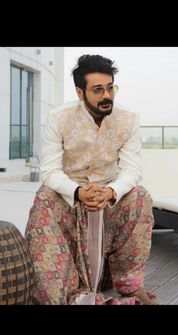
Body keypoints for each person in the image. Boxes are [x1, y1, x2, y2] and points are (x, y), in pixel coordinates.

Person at [25, 54, 159, 305]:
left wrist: (110, 193)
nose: (107, 95)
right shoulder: (60, 117)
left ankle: (129, 288)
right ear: (79, 92)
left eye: (110, 88)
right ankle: (69, 291)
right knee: (45, 196)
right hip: (69, 198)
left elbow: (132, 171)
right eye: (97, 90)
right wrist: (78, 192)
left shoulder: (128, 119)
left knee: (140, 196)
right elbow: (50, 171)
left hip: (109, 200)